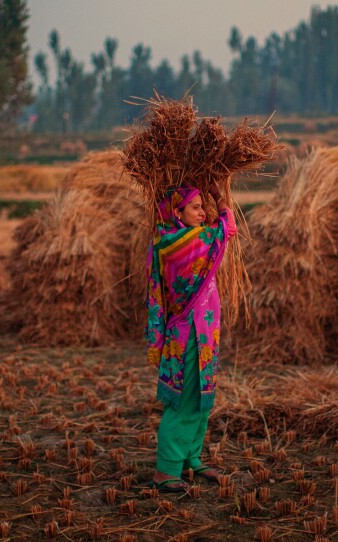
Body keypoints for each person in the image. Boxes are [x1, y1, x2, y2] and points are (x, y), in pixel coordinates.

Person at [144, 183, 236, 492]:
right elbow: (227, 227)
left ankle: (190, 459)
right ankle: (166, 471)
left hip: (205, 332)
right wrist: (221, 194)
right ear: (177, 212)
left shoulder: (179, 238)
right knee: (184, 401)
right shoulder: (179, 243)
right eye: (195, 207)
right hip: (188, 335)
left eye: (202, 205)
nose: (202, 211)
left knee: (201, 400)